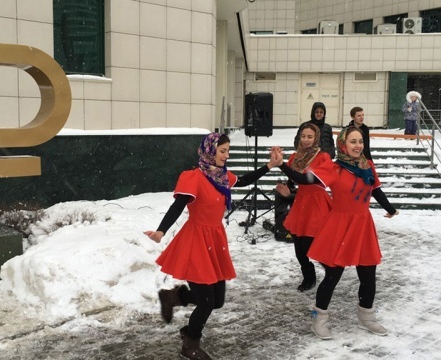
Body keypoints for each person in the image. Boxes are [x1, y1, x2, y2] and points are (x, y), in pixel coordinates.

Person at [144, 132, 283, 360]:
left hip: (215, 240)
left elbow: (245, 180)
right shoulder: (194, 177)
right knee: (207, 302)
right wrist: (161, 231)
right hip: (196, 241)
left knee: (216, 301)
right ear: (210, 151)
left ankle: (174, 298)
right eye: (222, 151)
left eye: (228, 151)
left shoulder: (222, 176)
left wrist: (270, 165)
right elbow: (178, 206)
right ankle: (190, 345)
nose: (226, 156)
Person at [275, 126, 399, 340]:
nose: (357, 145)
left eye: (360, 141)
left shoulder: (367, 165)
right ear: (343, 144)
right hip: (340, 224)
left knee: (368, 274)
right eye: (352, 141)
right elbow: (306, 180)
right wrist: (282, 166)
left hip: (363, 225)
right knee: (333, 275)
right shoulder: (335, 168)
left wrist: (390, 209)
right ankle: (319, 319)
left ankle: (366, 316)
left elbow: (375, 188)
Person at [275, 123, 333, 292]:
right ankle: (309, 278)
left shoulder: (323, 158)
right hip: (301, 204)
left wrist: (281, 165)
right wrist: (287, 191)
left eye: (310, 137)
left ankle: (332, 271)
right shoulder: (296, 157)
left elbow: (306, 180)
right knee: (299, 249)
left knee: (309, 246)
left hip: (317, 204)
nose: (306, 140)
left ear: (316, 138)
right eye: (303, 136)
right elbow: (294, 182)